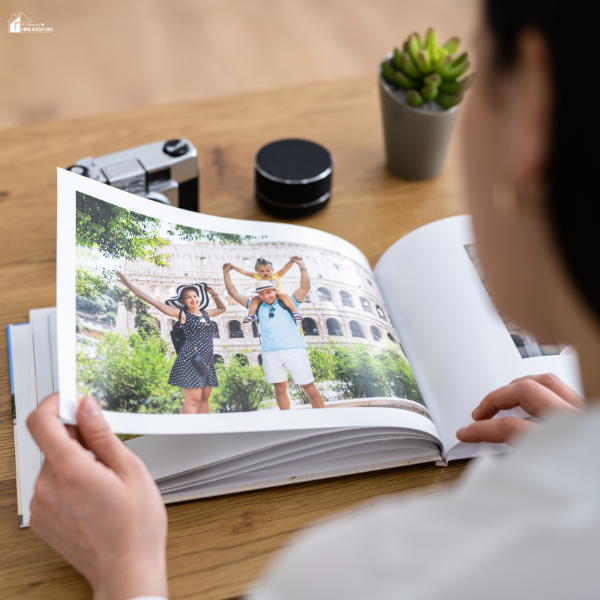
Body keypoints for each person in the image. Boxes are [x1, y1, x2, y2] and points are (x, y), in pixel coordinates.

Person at [24, 1, 600, 597]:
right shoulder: (240, 307)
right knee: (240, 395)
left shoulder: (365, 574)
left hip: (265, 370)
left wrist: (127, 570)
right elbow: (221, 291)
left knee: (278, 389)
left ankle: (318, 425)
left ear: (534, 112)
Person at [222, 258, 325, 410]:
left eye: (268, 292)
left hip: (294, 349)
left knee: (309, 387)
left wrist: (302, 266)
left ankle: (323, 418)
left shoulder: (288, 302)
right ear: (257, 295)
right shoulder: (255, 306)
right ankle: (286, 420)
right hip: (270, 351)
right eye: (261, 294)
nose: (266, 296)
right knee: (280, 388)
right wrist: (226, 273)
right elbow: (232, 292)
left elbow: (305, 286)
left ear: (275, 290)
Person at [116, 273, 226, 414]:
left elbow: (222, 309)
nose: (193, 299)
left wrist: (215, 295)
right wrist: (128, 285)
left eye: (195, 296)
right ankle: (187, 432)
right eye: (188, 297)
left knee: (205, 398)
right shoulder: (182, 314)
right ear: (182, 300)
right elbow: (152, 301)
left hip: (207, 359)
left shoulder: (205, 314)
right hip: (191, 359)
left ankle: (203, 430)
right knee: (193, 399)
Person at [227, 257, 303, 323]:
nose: (265, 273)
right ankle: (251, 315)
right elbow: (244, 272)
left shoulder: (276, 275)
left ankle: (295, 312)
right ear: (257, 271)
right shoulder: (257, 276)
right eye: (262, 271)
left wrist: (292, 261)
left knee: (284, 295)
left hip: (278, 294)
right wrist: (233, 267)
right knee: (255, 299)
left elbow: (285, 268)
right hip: (264, 296)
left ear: (272, 270)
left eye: (267, 270)